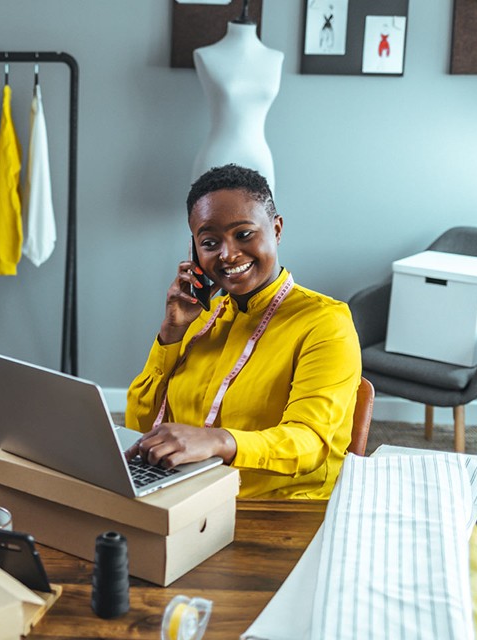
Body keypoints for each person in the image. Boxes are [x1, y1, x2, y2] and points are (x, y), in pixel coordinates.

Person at [125, 164, 361, 500]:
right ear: (194, 250)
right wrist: (172, 332)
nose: (228, 254)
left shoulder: (325, 322)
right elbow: (140, 426)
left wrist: (219, 441)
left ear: (276, 229)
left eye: (244, 234)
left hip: (277, 511)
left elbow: (309, 442)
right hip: (189, 494)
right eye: (209, 241)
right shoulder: (198, 318)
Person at [191, 14, 283, 195]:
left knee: (261, 220)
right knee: (208, 219)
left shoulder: (275, 58)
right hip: (217, 154)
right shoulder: (206, 55)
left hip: (259, 156)